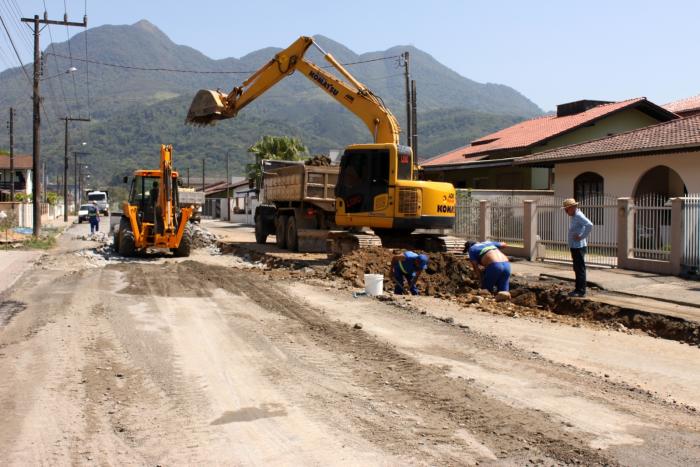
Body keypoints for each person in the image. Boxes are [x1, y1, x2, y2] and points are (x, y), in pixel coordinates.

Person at [563, 198, 593, 297]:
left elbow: (589, 225)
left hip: (578, 247)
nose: (566, 212)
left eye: (566, 209)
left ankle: (581, 291)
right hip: (575, 246)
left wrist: (581, 236)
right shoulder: (574, 216)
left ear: (572, 207)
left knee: (580, 268)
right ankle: (578, 289)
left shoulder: (579, 216)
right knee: (577, 268)